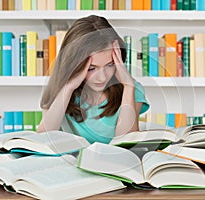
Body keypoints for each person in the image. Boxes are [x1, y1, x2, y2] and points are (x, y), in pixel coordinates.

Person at [37, 15, 149, 144]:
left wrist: (128, 87)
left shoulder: (132, 89)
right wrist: (68, 88)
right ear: (74, 65)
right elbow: (43, 139)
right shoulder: (60, 88)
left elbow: (126, 143)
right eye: (91, 68)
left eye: (110, 64)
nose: (102, 77)